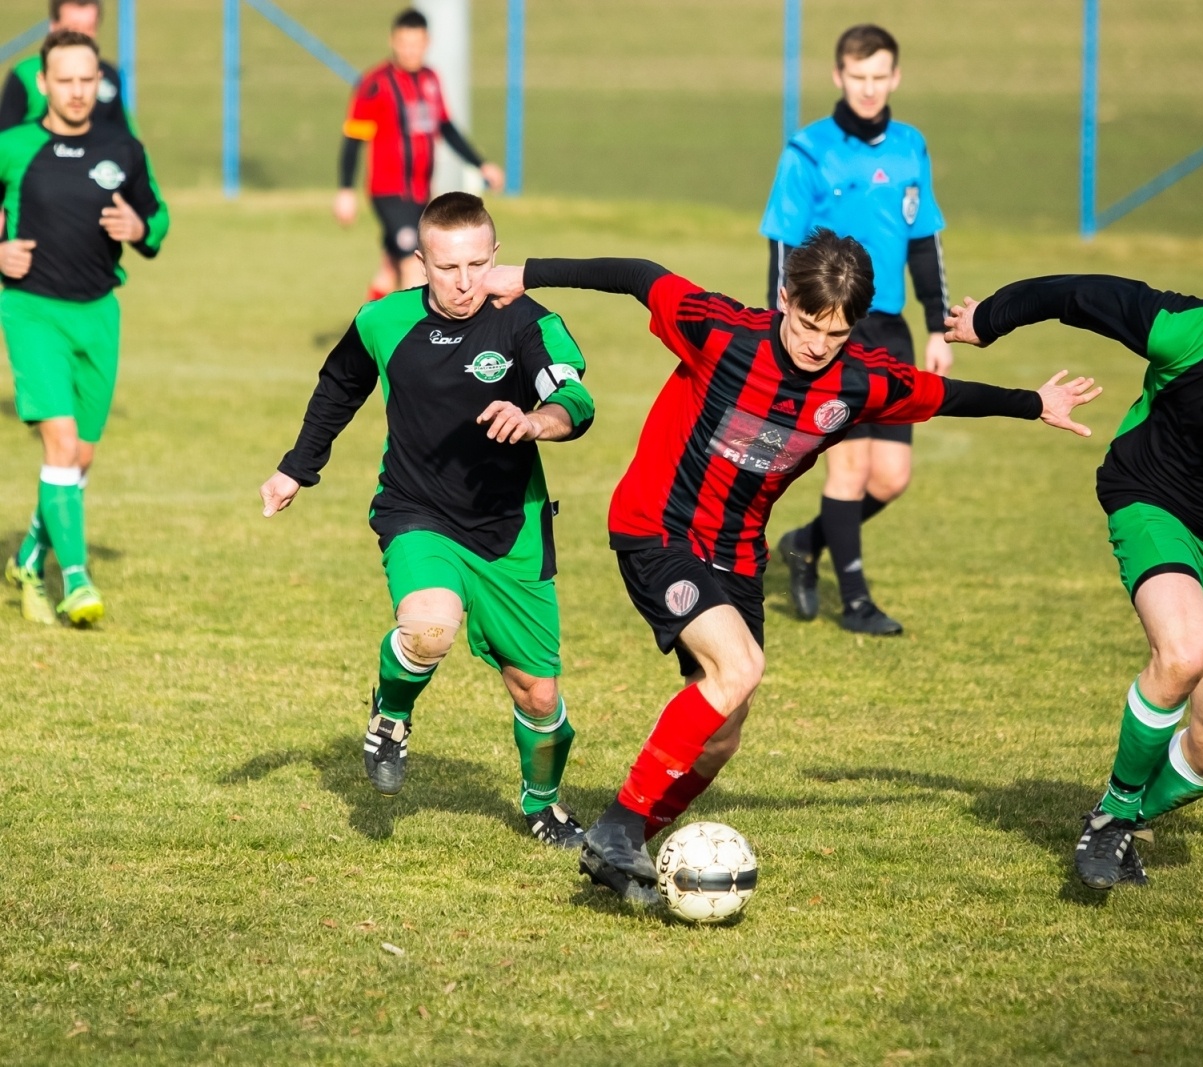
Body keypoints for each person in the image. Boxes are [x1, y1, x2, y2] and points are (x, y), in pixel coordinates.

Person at [478, 228, 1103, 903]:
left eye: (834, 334)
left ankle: (622, 843)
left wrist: (1034, 403)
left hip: (739, 556)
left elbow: (940, 394)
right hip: (658, 529)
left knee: (723, 734)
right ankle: (620, 826)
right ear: (784, 298)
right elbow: (639, 273)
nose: (815, 343)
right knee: (740, 667)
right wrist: (528, 272)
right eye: (807, 324)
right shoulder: (721, 331)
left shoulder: (860, 380)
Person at [944, 218, 1203, 891]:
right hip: (1151, 497)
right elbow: (1077, 294)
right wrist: (989, 318)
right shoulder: (1182, 326)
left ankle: (1120, 818)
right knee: (1184, 649)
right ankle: (1111, 817)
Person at [260, 192, 594, 848]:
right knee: (429, 626)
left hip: (511, 527)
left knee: (537, 694)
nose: (466, 282)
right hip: (419, 512)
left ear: (495, 256)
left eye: (477, 263)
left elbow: (574, 397)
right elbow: (338, 387)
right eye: (448, 267)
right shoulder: (384, 320)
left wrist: (536, 421)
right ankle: (392, 714)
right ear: (421, 261)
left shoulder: (527, 323)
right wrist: (298, 466)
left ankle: (543, 803)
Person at [761, 24, 952, 636]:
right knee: (846, 470)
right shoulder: (809, 150)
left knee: (891, 478)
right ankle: (857, 602)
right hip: (831, 330)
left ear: (894, 77)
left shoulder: (910, 146)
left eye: (880, 77)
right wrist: (780, 325)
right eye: (858, 77)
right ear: (839, 77)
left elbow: (924, 241)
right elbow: (783, 243)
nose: (869, 89)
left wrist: (938, 326)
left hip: (891, 329)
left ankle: (802, 541)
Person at [1, 30, 168, 627]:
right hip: (31, 310)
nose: (76, 92)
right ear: (42, 83)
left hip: (99, 313)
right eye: (63, 81)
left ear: (98, 82)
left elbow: (158, 216)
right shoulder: (13, 146)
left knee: (81, 457)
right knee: (62, 446)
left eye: (86, 81)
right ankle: (74, 581)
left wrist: (138, 227)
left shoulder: (122, 148)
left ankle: (26, 559)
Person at [335, 8, 505, 304]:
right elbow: (353, 139)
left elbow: (446, 128)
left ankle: (364, 340)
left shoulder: (431, 80)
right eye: (404, 43)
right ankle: (417, 346)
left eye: (416, 44)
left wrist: (481, 165)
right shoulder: (375, 84)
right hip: (389, 192)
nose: (410, 51)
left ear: (427, 42)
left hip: (421, 194)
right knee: (414, 268)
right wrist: (346, 190)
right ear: (393, 41)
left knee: (388, 271)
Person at [0, 1, 131, 134]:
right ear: (54, 26)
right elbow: (6, 140)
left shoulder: (108, 74)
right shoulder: (25, 74)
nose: (82, 35)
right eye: (73, 27)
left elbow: (127, 139)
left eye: (89, 27)